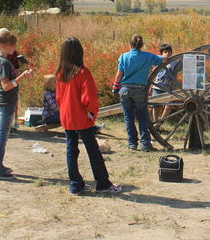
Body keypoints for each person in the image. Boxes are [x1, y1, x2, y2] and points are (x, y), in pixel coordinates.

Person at [56, 37, 120, 194]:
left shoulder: (60, 73)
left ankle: (75, 185)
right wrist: (92, 113)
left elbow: (58, 97)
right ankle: (103, 184)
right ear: (79, 53)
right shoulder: (82, 73)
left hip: (66, 116)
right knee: (93, 150)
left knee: (71, 150)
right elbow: (88, 98)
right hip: (82, 117)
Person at [0, 29, 34, 180]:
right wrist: (23, 77)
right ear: (2, 45)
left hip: (4, 101)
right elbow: (6, 86)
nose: (14, 47)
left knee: (2, 136)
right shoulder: (2, 62)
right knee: (1, 136)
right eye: (11, 45)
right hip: (5, 102)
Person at [112, 34, 168, 151]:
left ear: (130, 44)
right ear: (141, 45)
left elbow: (119, 75)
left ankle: (132, 144)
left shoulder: (124, 57)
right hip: (140, 90)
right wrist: (165, 54)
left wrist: (115, 87)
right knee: (142, 117)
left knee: (128, 117)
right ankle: (145, 144)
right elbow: (162, 60)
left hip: (125, 89)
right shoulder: (147, 56)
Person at [151, 43, 180, 124]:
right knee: (155, 106)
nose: (167, 53)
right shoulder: (157, 60)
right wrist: (150, 86)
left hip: (168, 88)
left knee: (169, 106)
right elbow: (153, 73)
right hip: (157, 87)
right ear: (161, 53)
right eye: (165, 52)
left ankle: (160, 123)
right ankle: (155, 122)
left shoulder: (174, 62)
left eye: (169, 52)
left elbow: (180, 66)